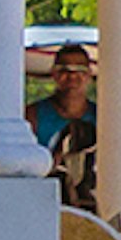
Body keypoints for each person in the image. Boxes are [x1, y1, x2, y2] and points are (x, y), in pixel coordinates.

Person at [31, 43, 98, 212]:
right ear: (54, 73)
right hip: (43, 205)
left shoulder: (103, 118)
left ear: (89, 75)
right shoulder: (32, 116)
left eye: (79, 70)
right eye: (64, 70)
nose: (72, 77)